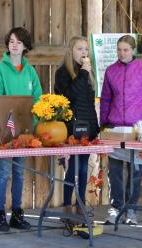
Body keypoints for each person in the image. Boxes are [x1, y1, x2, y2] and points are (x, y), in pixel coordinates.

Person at [100, 35, 142, 225]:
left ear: (133, 50)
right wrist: (103, 123)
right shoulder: (111, 71)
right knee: (115, 171)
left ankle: (132, 210)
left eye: (125, 49)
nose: (122, 53)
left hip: (139, 129)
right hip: (115, 128)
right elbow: (105, 99)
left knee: (136, 171)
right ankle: (116, 207)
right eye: (119, 49)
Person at [0, 27, 42, 231]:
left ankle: (17, 213)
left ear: (25, 46)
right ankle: (0, 214)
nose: (14, 45)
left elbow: (38, 100)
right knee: (3, 171)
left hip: (26, 131)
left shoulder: (30, 71)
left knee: (19, 172)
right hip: (5, 130)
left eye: (19, 42)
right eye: (11, 41)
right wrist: (4, 124)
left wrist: (33, 125)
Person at [54, 36, 100, 218]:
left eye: (86, 50)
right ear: (71, 51)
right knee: (73, 166)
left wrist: (95, 126)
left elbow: (89, 103)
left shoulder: (87, 73)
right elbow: (69, 96)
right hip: (72, 126)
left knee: (83, 167)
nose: (84, 53)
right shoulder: (62, 72)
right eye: (80, 49)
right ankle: (66, 205)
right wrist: (82, 74)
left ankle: (80, 203)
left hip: (87, 126)